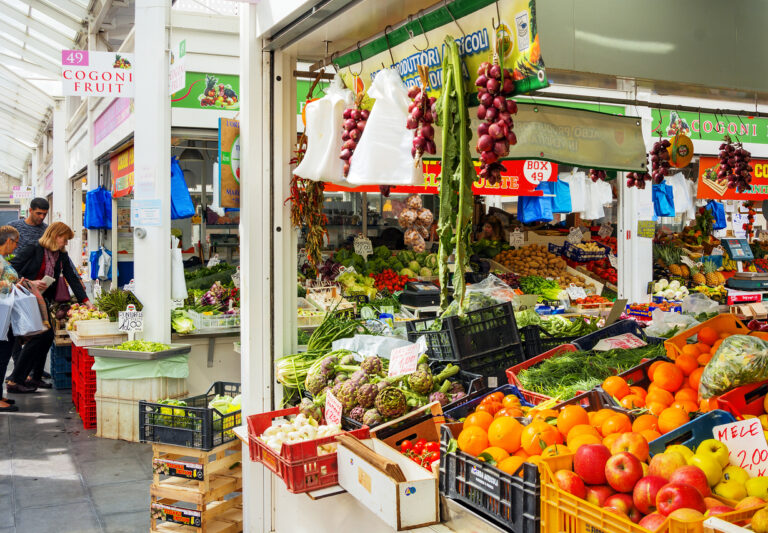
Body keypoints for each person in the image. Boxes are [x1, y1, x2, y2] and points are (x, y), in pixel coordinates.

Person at [6, 222, 89, 393]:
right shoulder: (34, 248)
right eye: (64, 239)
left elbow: (72, 277)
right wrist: (30, 283)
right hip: (25, 300)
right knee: (39, 337)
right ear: (55, 236)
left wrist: (86, 301)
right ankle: (16, 380)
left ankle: (33, 377)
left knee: (45, 337)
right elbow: (11, 270)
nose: (65, 243)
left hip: (42, 301)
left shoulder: (60, 255)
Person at [8, 197, 50, 375]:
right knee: (19, 330)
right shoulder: (14, 226)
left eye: (44, 214)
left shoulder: (46, 230)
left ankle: (36, 370)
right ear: (30, 210)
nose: (41, 217)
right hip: (15, 284)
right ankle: (20, 369)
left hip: (37, 286)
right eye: (38, 213)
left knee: (39, 329)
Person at [0, 226, 20, 410]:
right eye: (15, 242)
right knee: (1, 356)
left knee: (4, 355)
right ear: (8, 241)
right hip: (1, 316)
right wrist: (11, 285)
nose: (16, 247)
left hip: (5, 316)